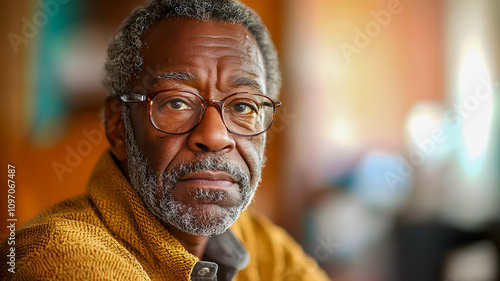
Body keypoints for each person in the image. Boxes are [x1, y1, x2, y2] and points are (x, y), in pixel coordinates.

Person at [0, 0, 331, 280]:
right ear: (118, 125)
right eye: (177, 102)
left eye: (242, 105)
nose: (215, 136)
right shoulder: (62, 258)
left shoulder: (260, 243)